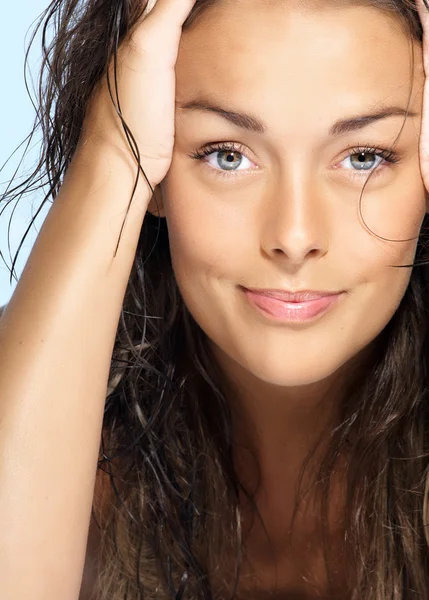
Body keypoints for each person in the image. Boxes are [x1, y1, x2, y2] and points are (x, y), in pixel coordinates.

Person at [1, 0, 429, 597]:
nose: (295, 236)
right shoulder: (54, 425)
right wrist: (113, 154)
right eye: (228, 155)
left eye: (364, 157)